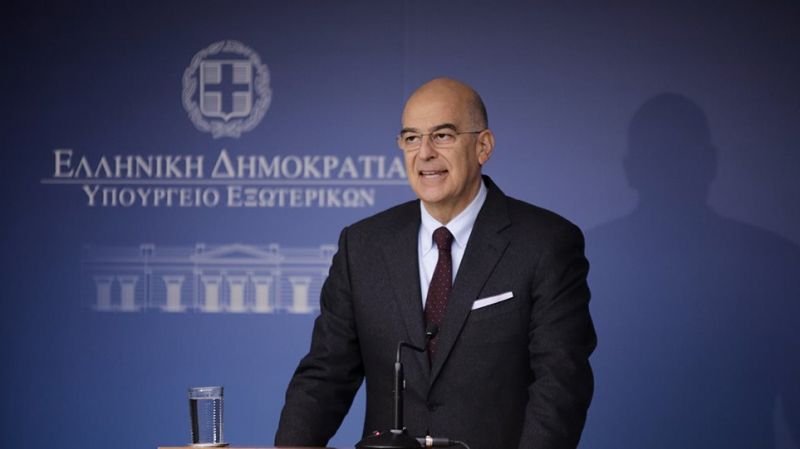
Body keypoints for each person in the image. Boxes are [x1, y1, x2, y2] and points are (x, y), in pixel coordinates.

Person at [275, 78, 596, 449]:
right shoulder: (362, 245)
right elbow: (325, 375)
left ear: (483, 146)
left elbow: (560, 382)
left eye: (442, 135)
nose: (424, 153)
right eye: (412, 138)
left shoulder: (545, 243)